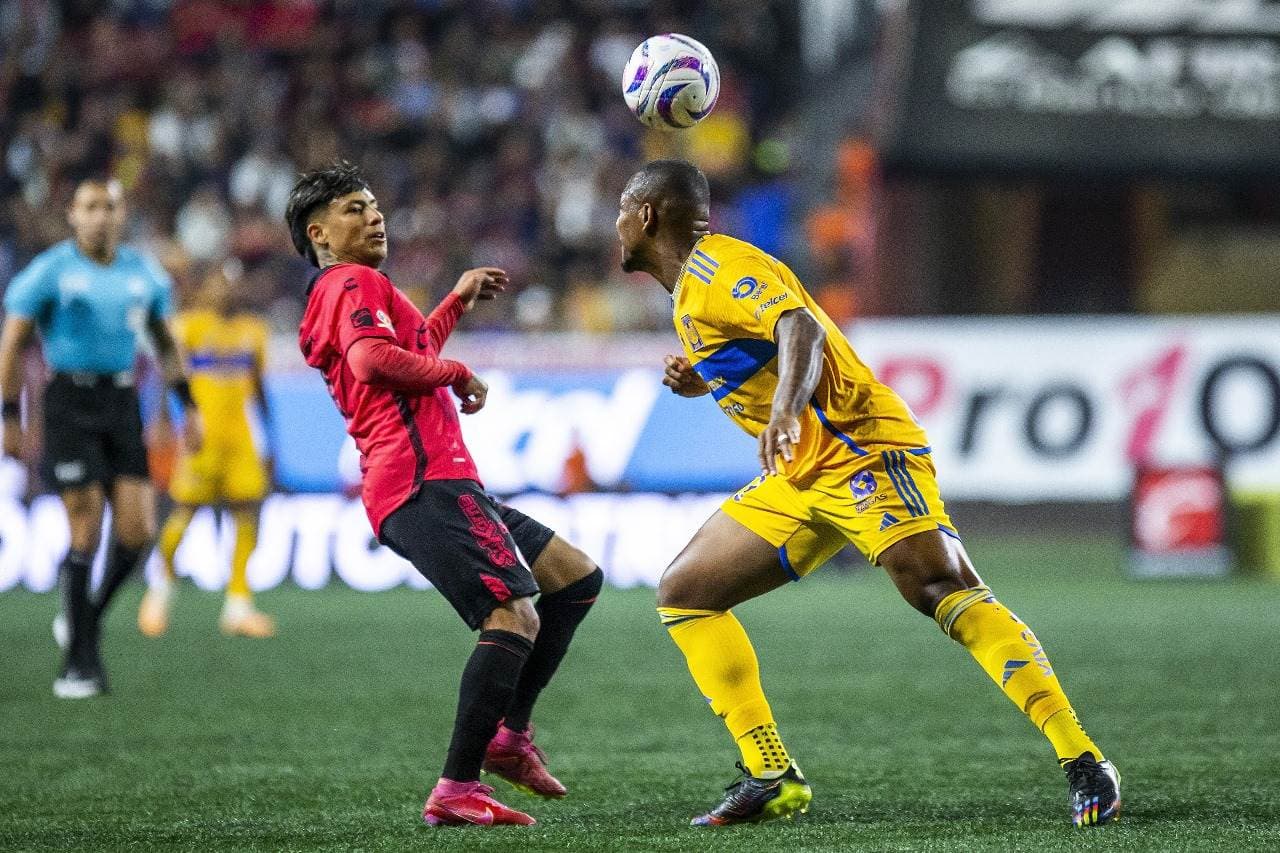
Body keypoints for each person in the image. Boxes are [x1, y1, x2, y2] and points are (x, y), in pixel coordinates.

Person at [616, 159, 1121, 828]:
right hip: (800, 475)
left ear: (647, 215)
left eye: (621, 209)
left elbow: (800, 329)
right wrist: (705, 379)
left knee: (941, 588)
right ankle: (770, 773)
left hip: (861, 450)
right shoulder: (691, 291)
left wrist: (787, 407)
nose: (615, 224)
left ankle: (1084, 757)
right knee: (686, 592)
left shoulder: (715, 270)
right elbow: (762, 348)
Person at [284, 161, 603, 828]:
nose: (373, 216)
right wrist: (458, 370)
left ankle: (508, 737)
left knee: (574, 577)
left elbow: (410, 346)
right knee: (513, 616)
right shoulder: (351, 280)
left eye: (374, 205)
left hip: (435, 479)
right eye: (353, 209)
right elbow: (376, 360)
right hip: (421, 478)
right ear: (319, 233)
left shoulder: (350, 289)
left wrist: (456, 298)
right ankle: (457, 784)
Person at [0, 176, 200, 698]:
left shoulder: (145, 275)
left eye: (108, 207)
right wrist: (9, 416)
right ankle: (79, 664)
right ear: (72, 215)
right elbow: (13, 343)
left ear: (121, 214)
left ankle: (83, 616)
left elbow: (166, 343)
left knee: (136, 533)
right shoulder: (50, 271)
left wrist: (188, 407)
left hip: (121, 400)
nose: (100, 216)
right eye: (89, 207)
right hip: (68, 400)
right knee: (85, 525)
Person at [138, 264, 276, 639]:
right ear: (205, 288)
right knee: (185, 511)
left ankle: (238, 605)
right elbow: (170, 375)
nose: (227, 290)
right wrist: (164, 420)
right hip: (201, 439)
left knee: (247, 514)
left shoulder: (253, 330)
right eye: (219, 282)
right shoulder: (190, 326)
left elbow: (260, 388)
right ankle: (160, 592)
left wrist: (271, 438)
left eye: (233, 283)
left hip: (242, 440)